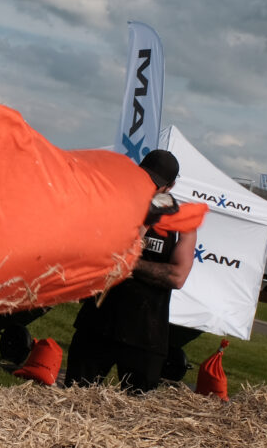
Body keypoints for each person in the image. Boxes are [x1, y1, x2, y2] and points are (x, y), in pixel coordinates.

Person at [63, 149, 197, 394]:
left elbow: (177, 277)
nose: (148, 187)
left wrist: (128, 264)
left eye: (155, 184)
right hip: (98, 324)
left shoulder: (181, 221)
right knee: (73, 400)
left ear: (169, 187)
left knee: (134, 416)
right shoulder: (117, 204)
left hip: (145, 334)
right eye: (144, 179)